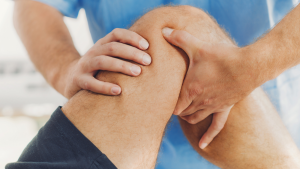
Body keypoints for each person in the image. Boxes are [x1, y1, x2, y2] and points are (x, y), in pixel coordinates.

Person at [13, 0, 300, 168]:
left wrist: (253, 66)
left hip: (268, 130)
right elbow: (34, 5)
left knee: (180, 26)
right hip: (126, 147)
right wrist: (64, 71)